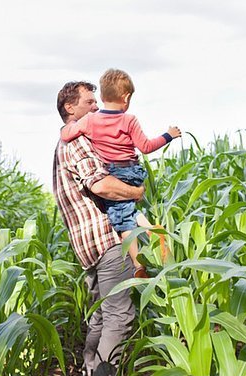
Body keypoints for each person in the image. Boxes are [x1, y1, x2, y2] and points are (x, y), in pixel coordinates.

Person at [53, 81, 142, 376]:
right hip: (106, 241)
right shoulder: (76, 140)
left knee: (101, 318)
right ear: (70, 108)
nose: (96, 107)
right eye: (90, 102)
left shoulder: (65, 145)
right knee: (120, 318)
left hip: (89, 249)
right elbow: (101, 185)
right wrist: (136, 192)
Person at [60, 69, 181, 278]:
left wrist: (67, 129)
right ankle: (152, 229)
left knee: (123, 222)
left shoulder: (90, 121)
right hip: (133, 169)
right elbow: (146, 146)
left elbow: (67, 133)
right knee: (129, 211)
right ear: (125, 97)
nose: (93, 107)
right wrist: (168, 135)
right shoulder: (129, 119)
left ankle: (138, 266)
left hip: (114, 172)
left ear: (103, 97)